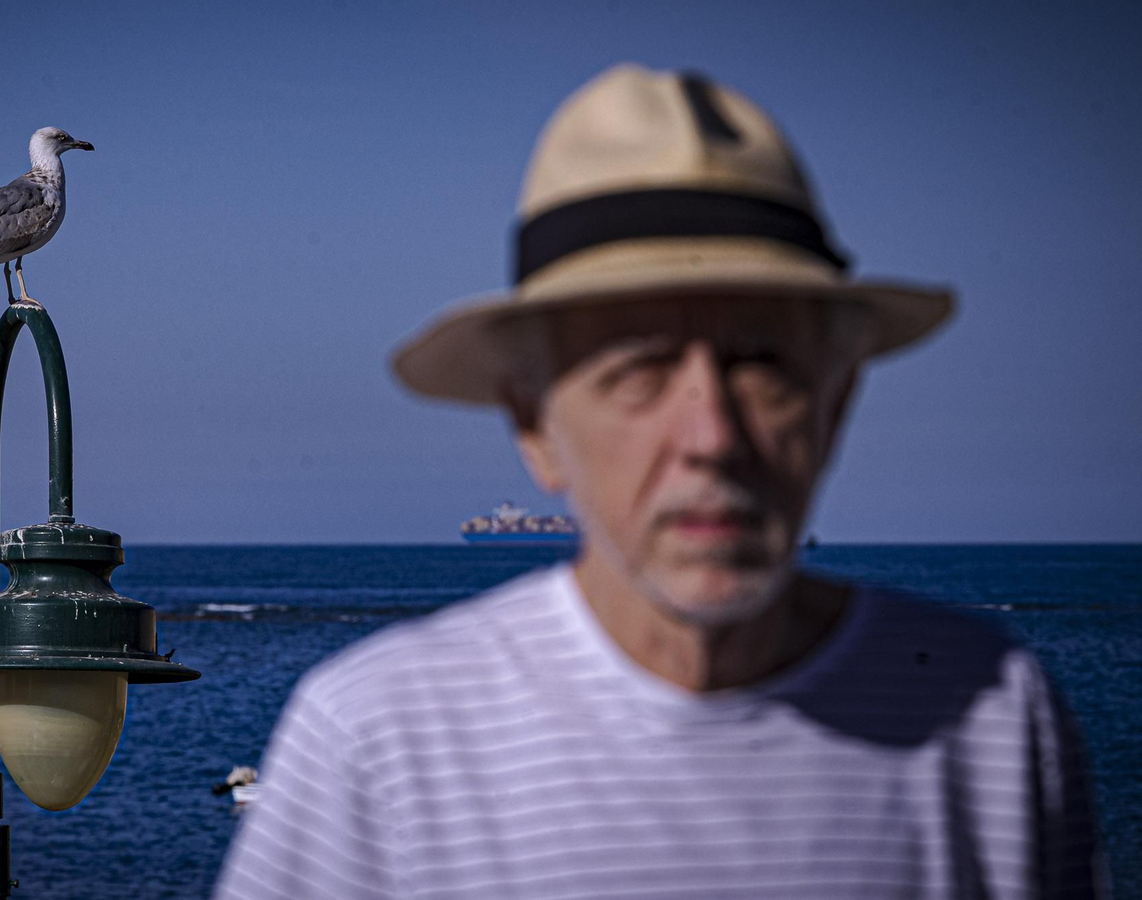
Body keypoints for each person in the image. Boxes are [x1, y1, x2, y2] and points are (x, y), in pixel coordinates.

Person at [213, 64, 1104, 898]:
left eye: (761, 364)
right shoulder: (377, 742)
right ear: (535, 428)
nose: (711, 437)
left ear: (836, 403)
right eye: (639, 371)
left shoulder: (990, 715)